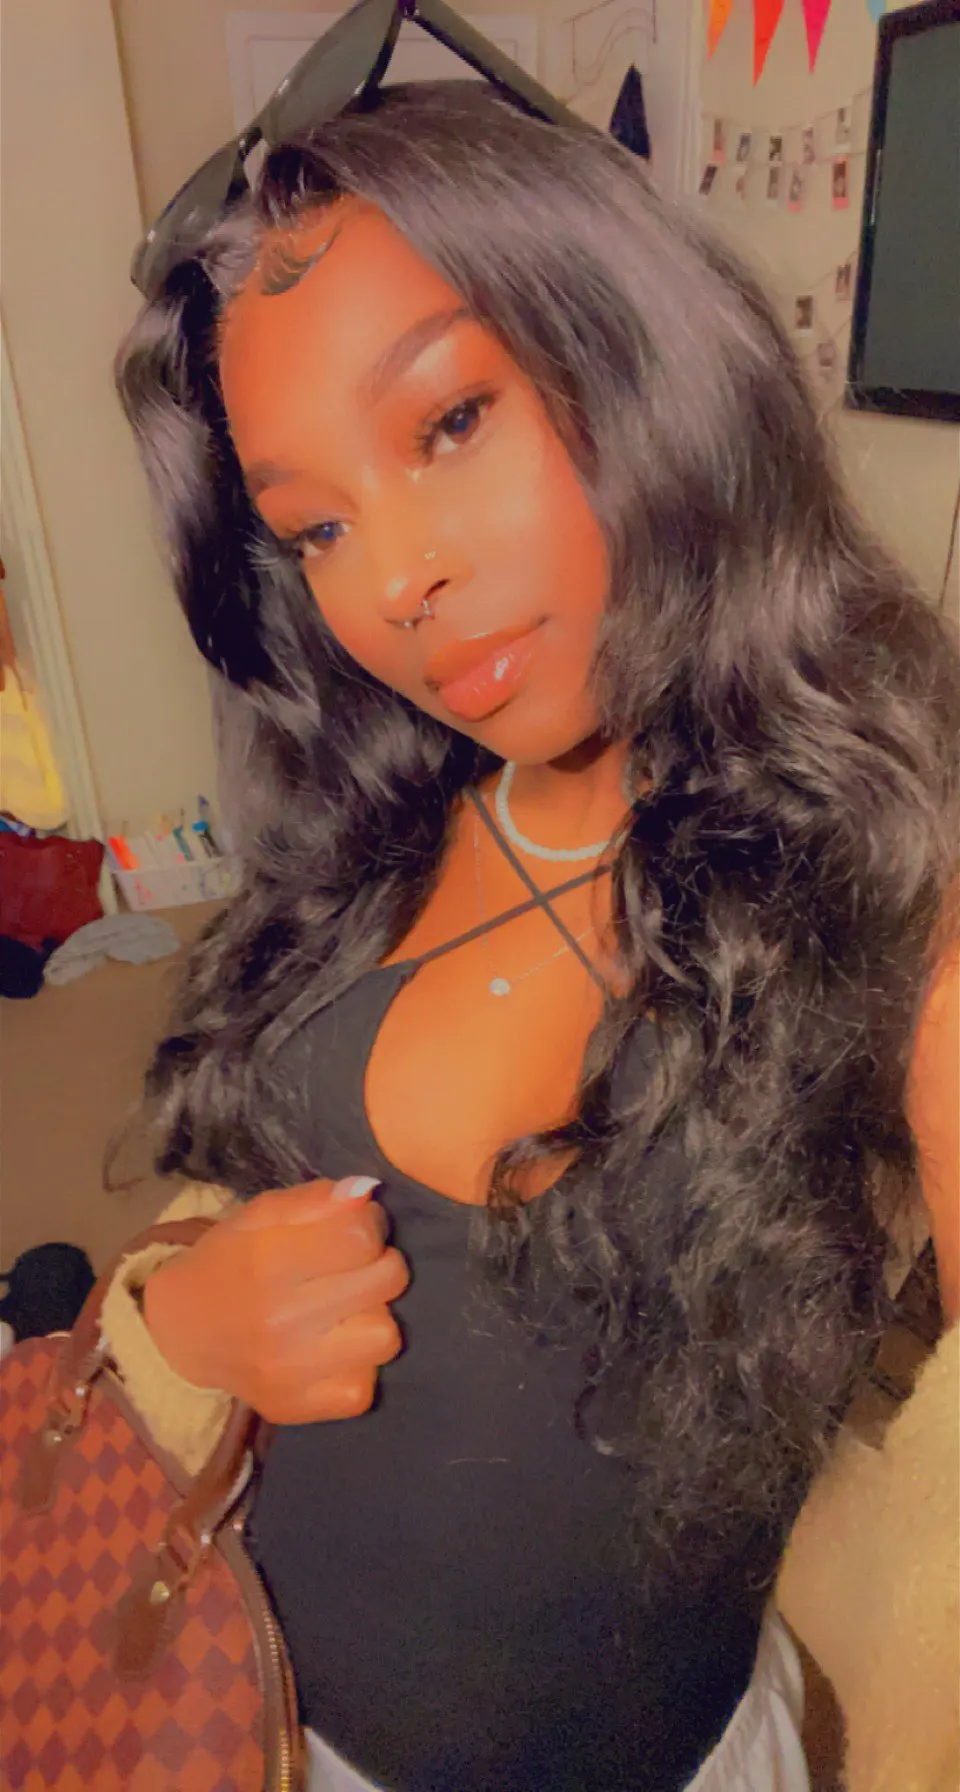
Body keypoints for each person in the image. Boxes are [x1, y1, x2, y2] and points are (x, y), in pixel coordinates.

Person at [106, 78, 960, 1792]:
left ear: (637, 356)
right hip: (235, 1712)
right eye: (316, 526)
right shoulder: (394, 816)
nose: (391, 583)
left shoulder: (895, 878)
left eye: (447, 421)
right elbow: (253, 1188)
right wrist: (177, 1319)